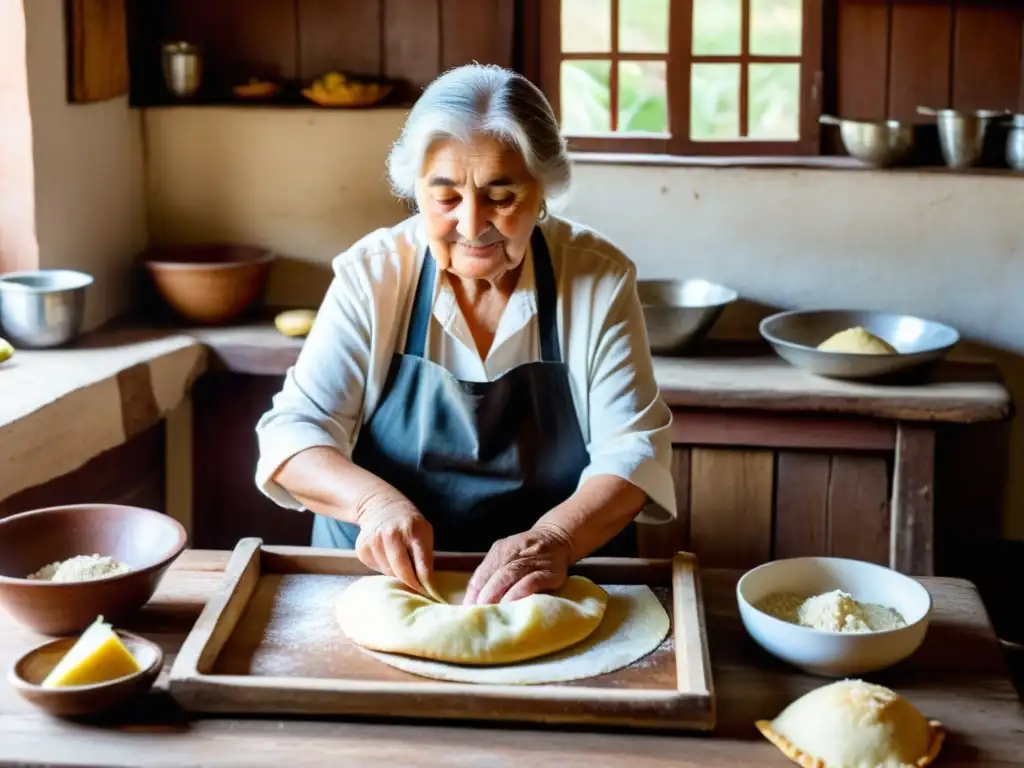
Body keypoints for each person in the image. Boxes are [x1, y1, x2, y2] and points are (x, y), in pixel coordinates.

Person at [254, 63, 676, 606]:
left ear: (542, 189)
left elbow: (634, 450)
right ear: (416, 190)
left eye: (502, 197)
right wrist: (373, 507)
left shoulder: (596, 276)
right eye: (446, 196)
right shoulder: (374, 274)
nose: (472, 225)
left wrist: (555, 539)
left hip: (554, 590)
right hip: (381, 586)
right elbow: (294, 432)